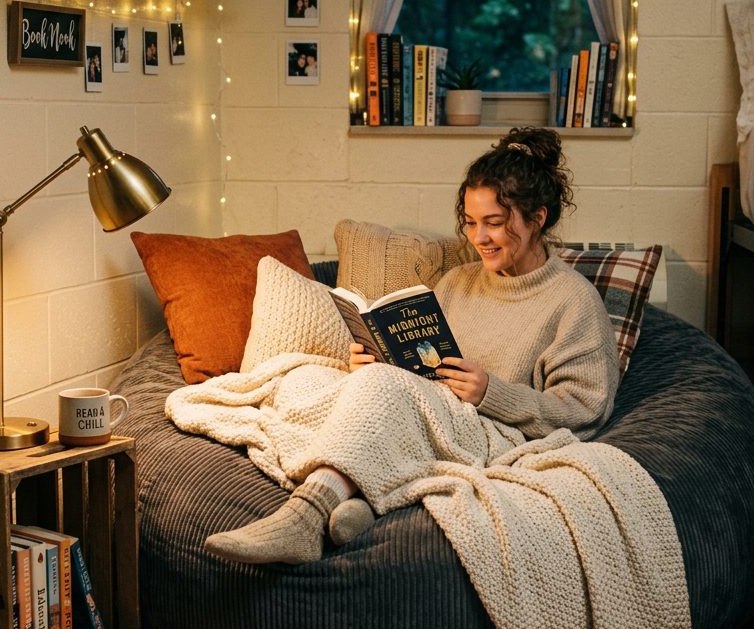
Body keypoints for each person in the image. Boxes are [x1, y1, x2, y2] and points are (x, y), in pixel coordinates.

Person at [203, 126, 621, 565]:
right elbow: (420, 365)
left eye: (495, 223)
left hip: (492, 431)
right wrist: (373, 363)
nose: (478, 238)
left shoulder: (573, 300)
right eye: (471, 223)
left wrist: (491, 393)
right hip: (425, 413)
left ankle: (304, 518)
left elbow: (585, 410)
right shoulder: (458, 282)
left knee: (381, 390)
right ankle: (364, 502)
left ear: (537, 218)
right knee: (304, 377)